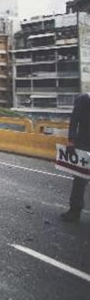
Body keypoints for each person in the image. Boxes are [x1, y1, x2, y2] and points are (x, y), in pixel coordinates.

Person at [61, 92, 89, 222]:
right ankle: (75, 210)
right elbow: (74, 121)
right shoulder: (83, 99)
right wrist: (71, 141)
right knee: (80, 180)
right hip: (84, 145)